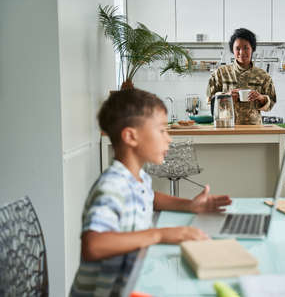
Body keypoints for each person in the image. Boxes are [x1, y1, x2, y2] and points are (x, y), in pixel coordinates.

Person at [70, 89, 231, 296]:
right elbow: (93, 245)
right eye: (162, 130)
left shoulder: (137, 178)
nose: (169, 139)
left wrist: (190, 205)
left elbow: (151, 198)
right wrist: (160, 235)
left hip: (128, 284)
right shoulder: (112, 187)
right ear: (131, 136)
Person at [207, 28, 277, 125]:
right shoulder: (220, 73)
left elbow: (272, 102)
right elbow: (210, 101)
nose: (242, 52)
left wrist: (261, 98)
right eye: (237, 48)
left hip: (254, 129)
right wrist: (226, 97)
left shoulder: (263, 76)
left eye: (246, 48)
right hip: (226, 128)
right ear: (232, 50)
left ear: (252, 49)